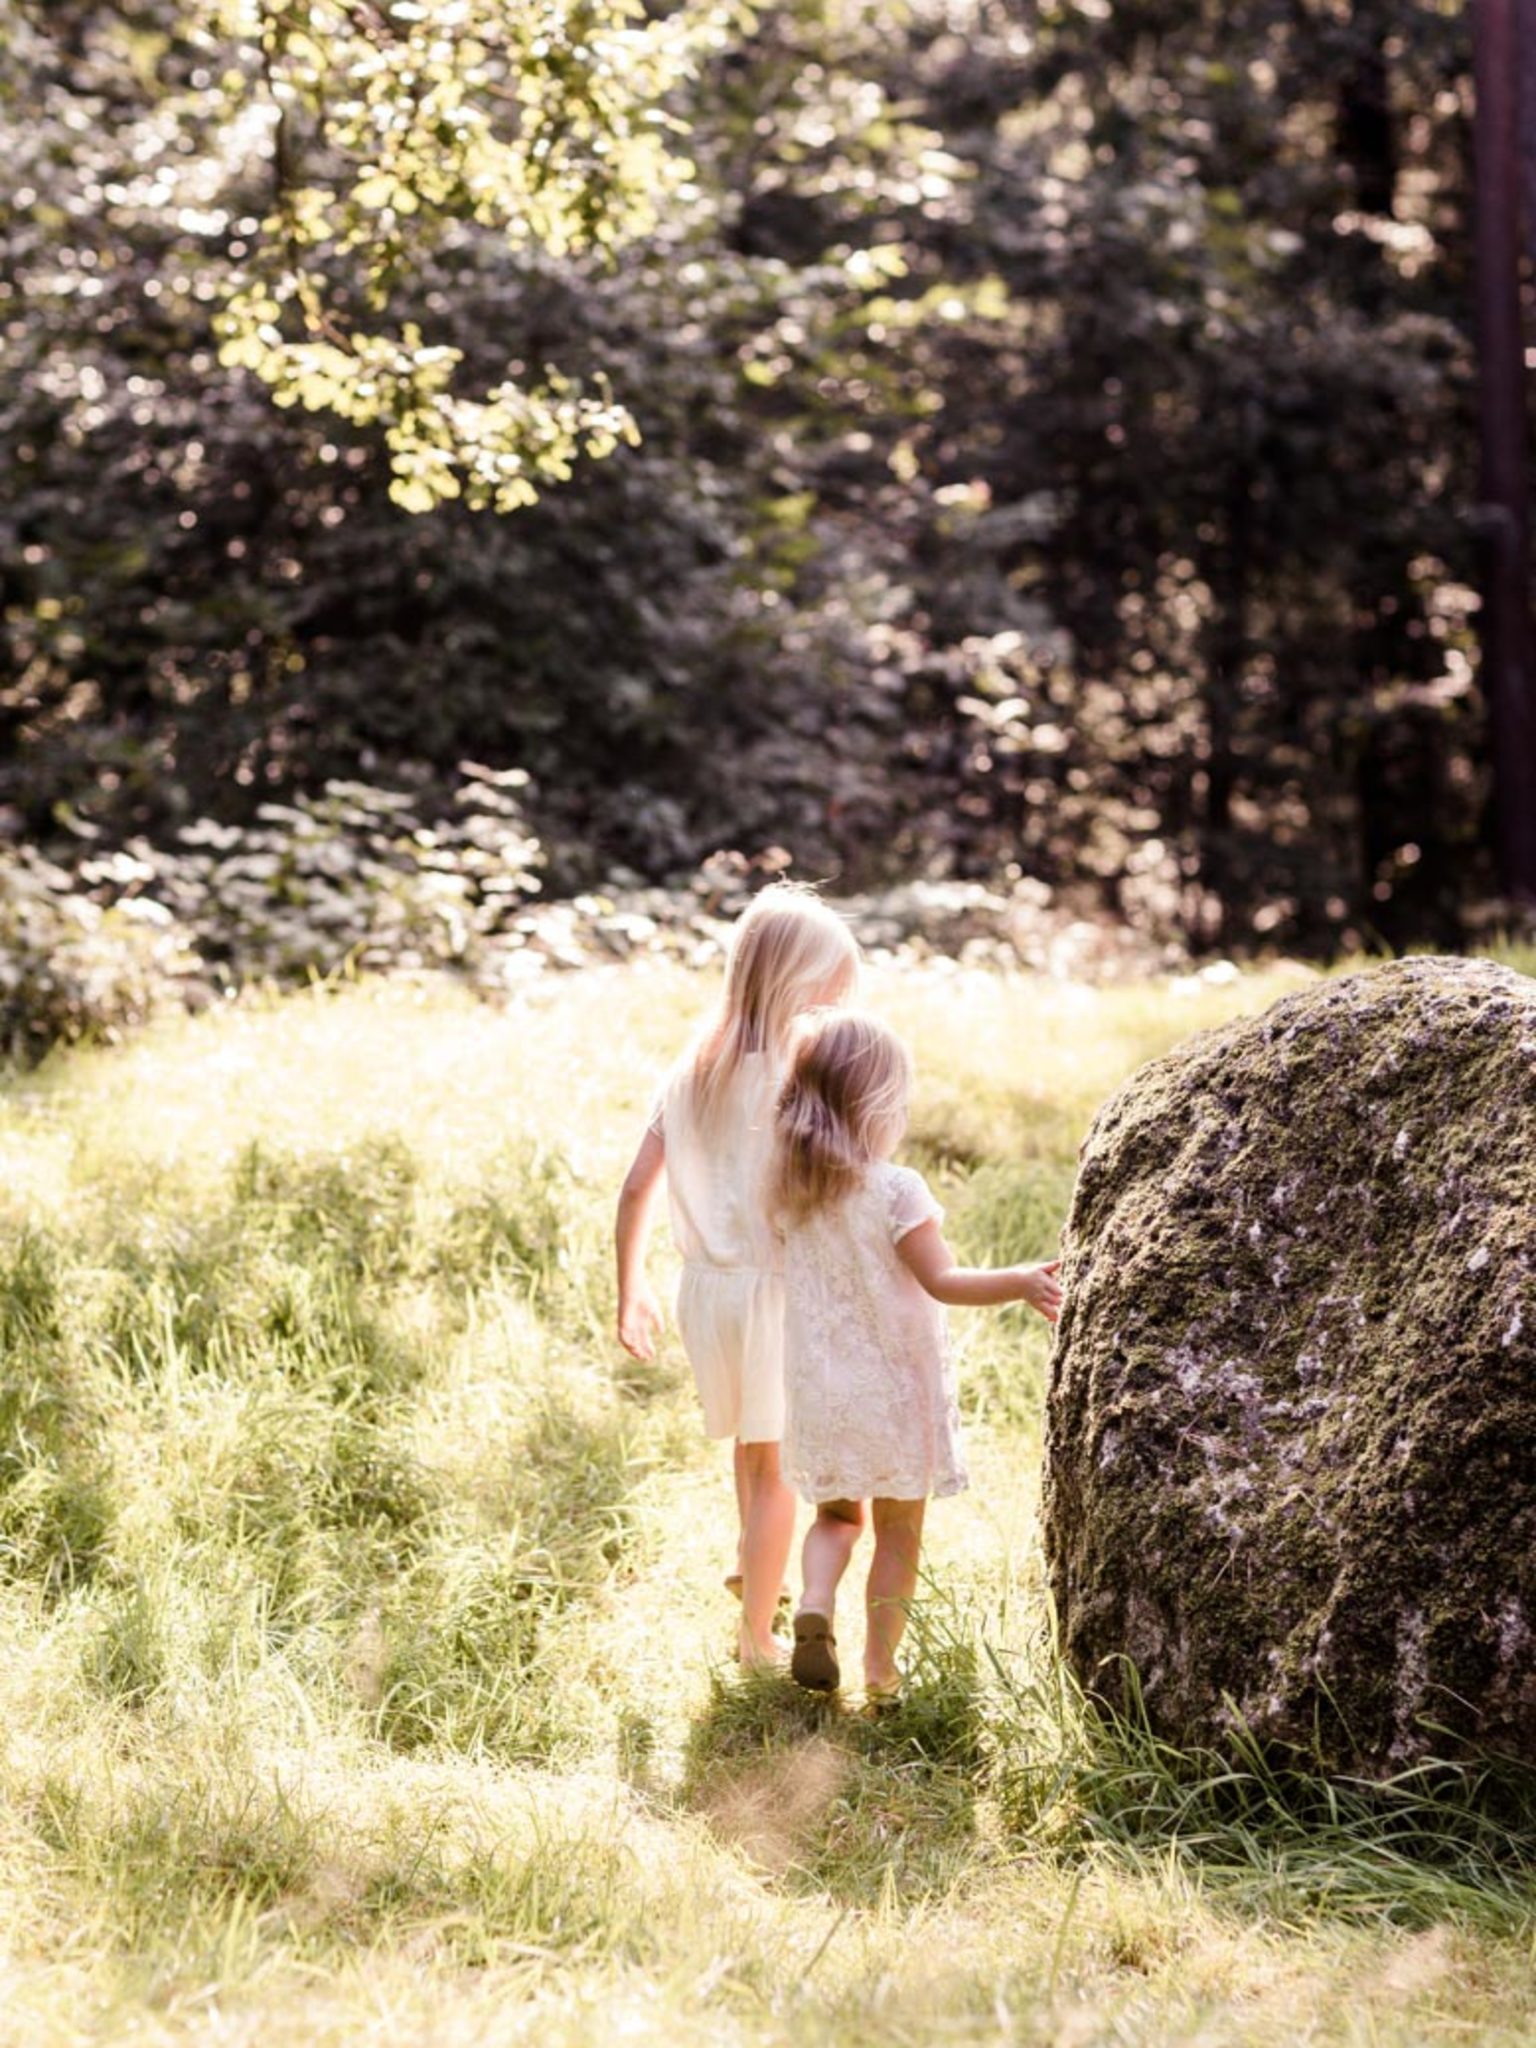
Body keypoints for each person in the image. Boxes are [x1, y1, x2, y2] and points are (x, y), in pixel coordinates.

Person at [772, 1010, 1061, 1703]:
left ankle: (814, 1598)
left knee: (836, 1518)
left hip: (822, 1390)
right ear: (874, 1106)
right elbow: (944, 1282)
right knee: (898, 1533)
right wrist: (1021, 1280)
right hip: (893, 1393)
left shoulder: (791, 1190)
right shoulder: (896, 1189)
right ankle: (880, 1672)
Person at [614, 883, 861, 1669]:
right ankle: (757, 1636)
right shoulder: (800, 1071)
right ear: (795, 983)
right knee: (780, 1467)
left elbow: (634, 1186)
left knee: (753, 1460)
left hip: (706, 1295)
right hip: (773, 1293)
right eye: (828, 992)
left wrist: (632, 1288)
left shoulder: (692, 1069)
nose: (834, 1009)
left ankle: (755, 1572)